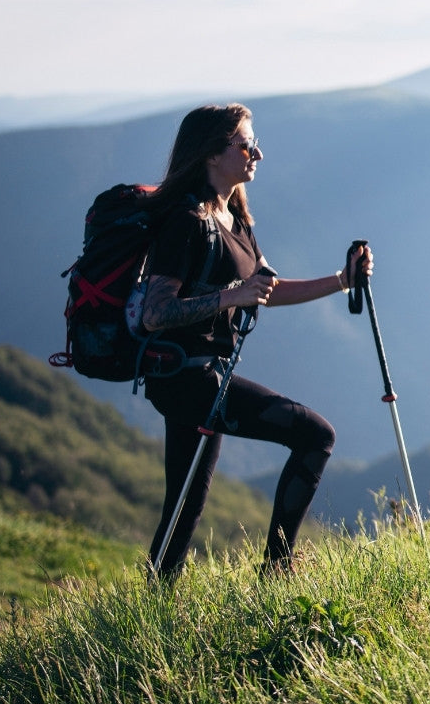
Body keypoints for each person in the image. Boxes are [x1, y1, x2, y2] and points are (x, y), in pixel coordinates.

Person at [140, 102, 372, 581]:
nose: (258, 154)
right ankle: (277, 571)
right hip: (185, 377)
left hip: (203, 376)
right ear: (212, 153)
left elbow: (267, 289)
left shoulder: (235, 217)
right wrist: (231, 296)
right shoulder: (186, 221)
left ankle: (155, 599)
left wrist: (341, 280)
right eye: (246, 145)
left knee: (186, 501)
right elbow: (155, 312)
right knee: (315, 435)